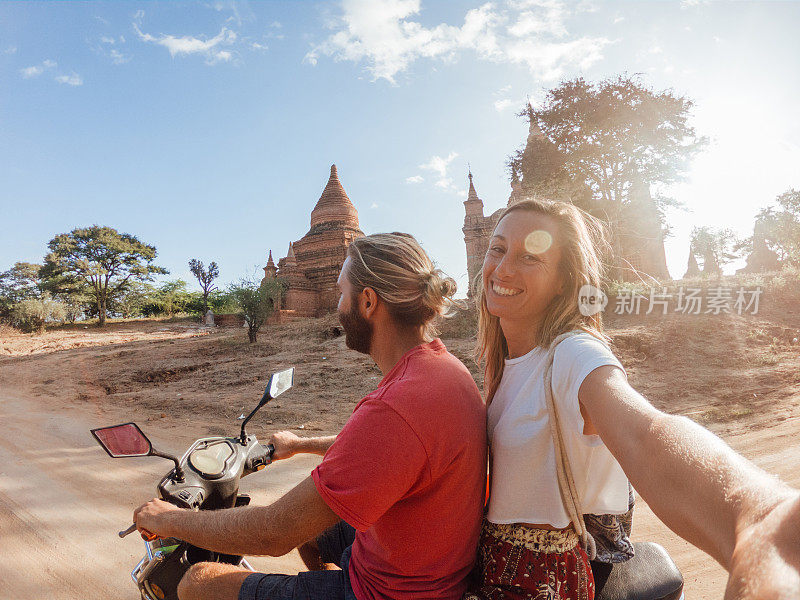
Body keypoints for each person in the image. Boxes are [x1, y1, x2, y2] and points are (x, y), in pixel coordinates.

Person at [469, 198, 800, 600]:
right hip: (491, 565)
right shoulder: (501, 361)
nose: (503, 269)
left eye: (530, 257)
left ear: (563, 281)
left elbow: (646, 434)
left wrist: (761, 515)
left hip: (540, 585)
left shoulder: (574, 353)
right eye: (498, 249)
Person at [133, 232, 488, 600]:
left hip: (390, 592)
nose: (338, 304)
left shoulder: (394, 409)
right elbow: (385, 448)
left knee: (199, 581)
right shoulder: (443, 370)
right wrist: (300, 444)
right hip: (427, 564)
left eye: (341, 293)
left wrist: (168, 519)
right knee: (316, 537)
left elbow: (275, 532)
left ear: (367, 302)